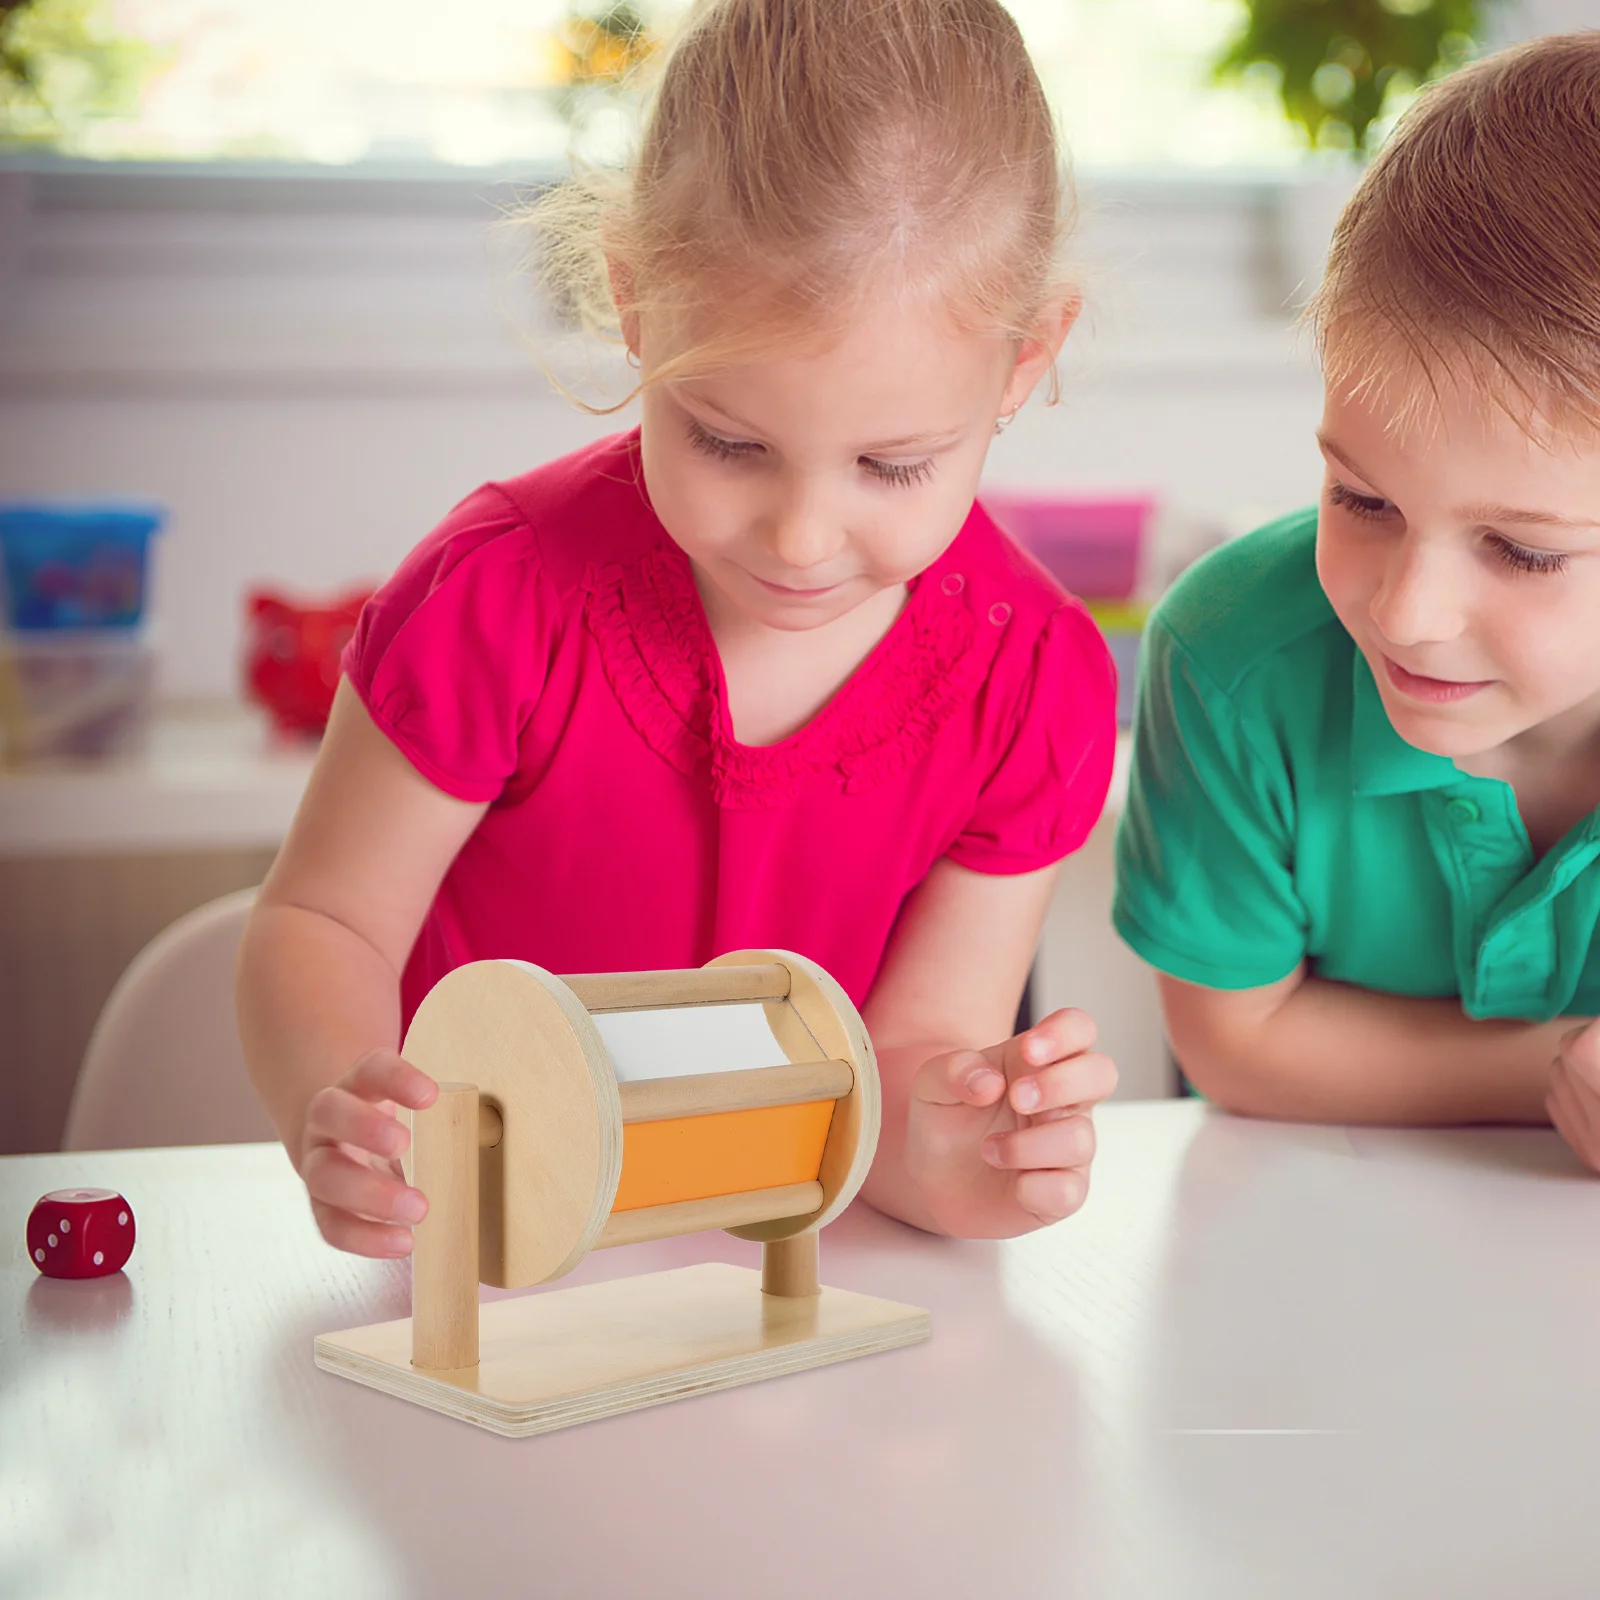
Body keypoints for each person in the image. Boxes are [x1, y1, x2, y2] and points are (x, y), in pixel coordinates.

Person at [238, 0, 1121, 1258]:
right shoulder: (498, 598)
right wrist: (340, 1104)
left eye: (892, 465)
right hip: (484, 1265)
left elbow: (901, 1061)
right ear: (634, 303)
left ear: (1024, 363)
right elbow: (323, 923)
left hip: (763, 1302)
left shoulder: (1030, 686)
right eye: (728, 442)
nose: (801, 536)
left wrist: (963, 1153)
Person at [1113, 33, 1600, 1167]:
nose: (1404, 611)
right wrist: (1560, 1069)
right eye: (1361, 498)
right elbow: (1236, 1039)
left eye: (1521, 551)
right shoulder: (1232, 657)